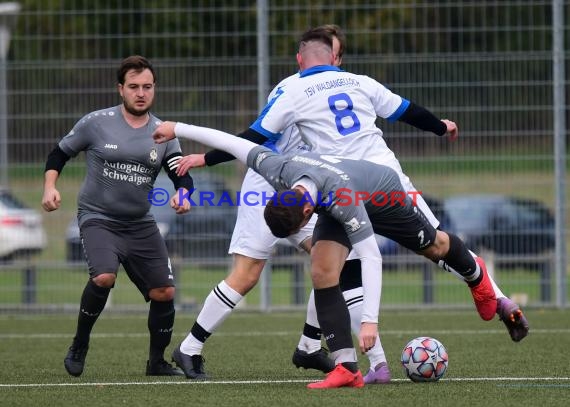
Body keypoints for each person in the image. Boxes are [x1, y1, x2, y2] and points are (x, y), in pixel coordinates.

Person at [176, 27, 529, 343]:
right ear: (334, 58)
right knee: (433, 243)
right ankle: (489, 294)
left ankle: (344, 352)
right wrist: (441, 127)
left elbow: (254, 138)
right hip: (385, 178)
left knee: (335, 265)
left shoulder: (292, 91)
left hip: (341, 187)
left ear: (300, 59)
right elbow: (407, 111)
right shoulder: (361, 81)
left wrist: (204, 158)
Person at [152, 121, 525, 388]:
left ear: (303, 213)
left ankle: (477, 279)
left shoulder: (341, 200)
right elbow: (231, 143)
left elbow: (372, 258)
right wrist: (175, 127)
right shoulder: (279, 169)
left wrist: (369, 322)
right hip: (330, 200)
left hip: (383, 196)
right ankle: (346, 368)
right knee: (323, 270)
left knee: (436, 247)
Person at [166, 25, 390, 384]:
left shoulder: (345, 87)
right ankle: (189, 349)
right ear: (307, 59)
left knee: (332, 262)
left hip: (308, 188)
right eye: (329, 54)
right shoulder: (290, 89)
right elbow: (252, 139)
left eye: (336, 56)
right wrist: (206, 159)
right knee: (247, 274)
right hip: (270, 188)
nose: (334, 62)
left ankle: (311, 346)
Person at [41, 55, 193, 377]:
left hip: (139, 223)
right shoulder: (96, 122)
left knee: (164, 292)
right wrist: (50, 187)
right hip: (98, 218)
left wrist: (184, 192)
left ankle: (156, 363)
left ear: (154, 89)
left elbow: (180, 173)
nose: (141, 93)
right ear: (120, 89)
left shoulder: (163, 133)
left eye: (147, 87)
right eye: (134, 86)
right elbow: (59, 153)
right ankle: (80, 343)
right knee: (104, 276)